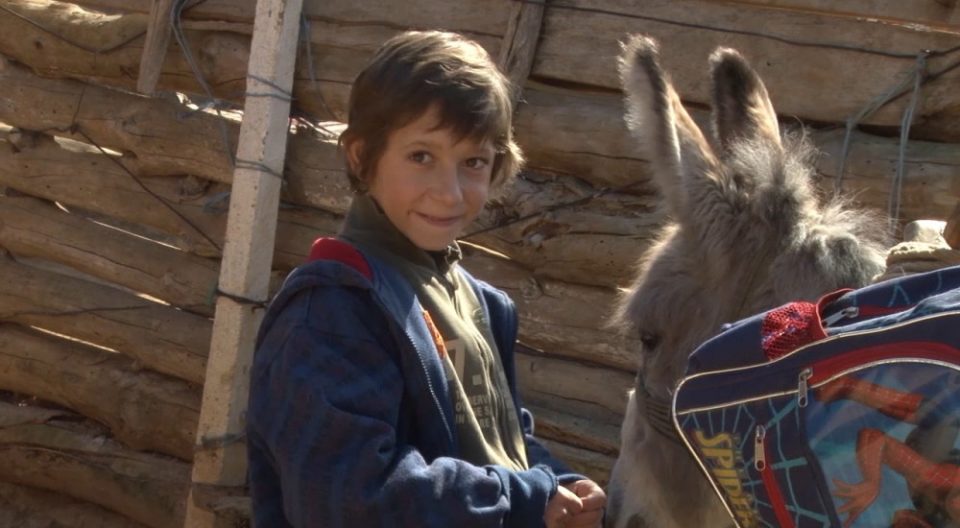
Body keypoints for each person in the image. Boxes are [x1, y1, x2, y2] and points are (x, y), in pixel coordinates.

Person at [246, 30, 606, 528]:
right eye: (421, 157)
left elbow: (501, 445)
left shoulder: (480, 304)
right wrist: (524, 500)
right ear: (359, 156)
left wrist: (559, 481)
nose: (451, 193)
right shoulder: (332, 311)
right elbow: (351, 500)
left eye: (473, 162)